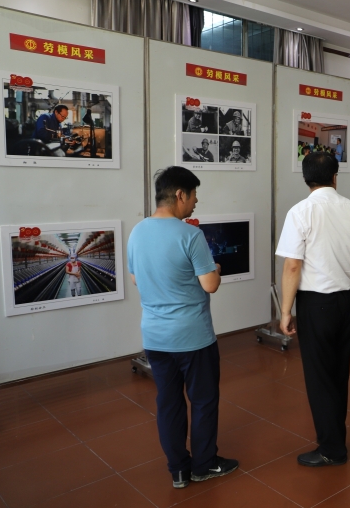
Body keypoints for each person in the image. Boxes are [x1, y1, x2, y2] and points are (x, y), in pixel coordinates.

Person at [127, 166, 237, 490]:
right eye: (194, 195)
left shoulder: (137, 232)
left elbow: (135, 278)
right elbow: (210, 284)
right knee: (203, 401)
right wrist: (215, 268)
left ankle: (178, 470)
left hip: (155, 338)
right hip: (193, 337)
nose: (196, 201)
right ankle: (204, 464)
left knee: (169, 403)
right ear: (179, 195)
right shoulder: (190, 235)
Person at [276, 152, 350, 467]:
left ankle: (332, 448)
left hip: (316, 304)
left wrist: (285, 311)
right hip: (346, 300)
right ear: (334, 177)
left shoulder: (301, 212)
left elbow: (292, 266)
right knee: (339, 373)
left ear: (306, 178)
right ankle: (335, 439)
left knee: (319, 378)